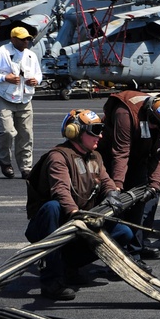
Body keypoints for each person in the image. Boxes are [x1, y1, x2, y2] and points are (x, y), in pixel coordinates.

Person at [25, 109, 134, 300]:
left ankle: (69, 267)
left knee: (123, 233)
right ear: (75, 132)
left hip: (78, 223)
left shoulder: (95, 157)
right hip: (53, 225)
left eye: (101, 129)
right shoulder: (58, 157)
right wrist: (75, 213)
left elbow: (106, 180)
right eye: (95, 130)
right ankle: (51, 281)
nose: (100, 135)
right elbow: (61, 191)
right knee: (53, 207)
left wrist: (112, 193)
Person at [100, 91, 160, 266]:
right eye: (153, 122)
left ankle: (134, 255)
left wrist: (154, 184)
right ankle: (114, 256)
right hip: (110, 156)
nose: (155, 127)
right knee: (115, 210)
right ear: (149, 112)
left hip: (140, 156)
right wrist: (116, 187)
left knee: (138, 205)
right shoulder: (125, 112)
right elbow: (121, 152)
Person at [0, 26, 42, 178]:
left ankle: (26, 167)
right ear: (13, 39)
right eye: (23, 39)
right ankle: (5, 162)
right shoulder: (0, 53)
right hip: (4, 97)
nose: (26, 42)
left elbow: (38, 74)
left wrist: (36, 80)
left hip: (25, 99)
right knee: (7, 132)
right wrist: (5, 78)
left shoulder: (31, 55)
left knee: (26, 133)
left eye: (28, 39)